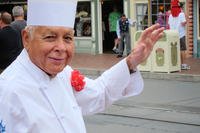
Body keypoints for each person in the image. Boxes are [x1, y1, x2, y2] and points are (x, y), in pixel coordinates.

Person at [0, 0, 164, 132]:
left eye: (68, 38)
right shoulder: (8, 91)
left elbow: (100, 93)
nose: (61, 47)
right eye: (50, 37)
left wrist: (131, 61)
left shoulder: (64, 73)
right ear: (26, 39)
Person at [168, 0, 190, 70]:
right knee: (182, 50)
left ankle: (175, 64)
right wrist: (186, 18)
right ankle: (183, 65)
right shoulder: (181, 14)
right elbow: (184, 23)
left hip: (172, 35)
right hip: (180, 34)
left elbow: (169, 25)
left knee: (174, 49)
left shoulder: (170, 15)